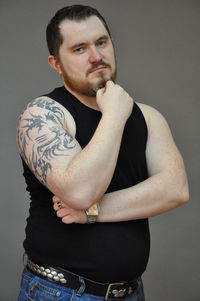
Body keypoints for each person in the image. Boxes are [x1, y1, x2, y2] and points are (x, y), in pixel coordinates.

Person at [16, 4, 189, 301]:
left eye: (101, 42)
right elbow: (80, 192)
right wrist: (113, 115)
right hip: (60, 292)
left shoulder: (148, 117)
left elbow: (176, 189)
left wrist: (93, 213)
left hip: (132, 292)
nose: (96, 56)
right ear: (56, 63)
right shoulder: (42, 115)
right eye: (79, 49)